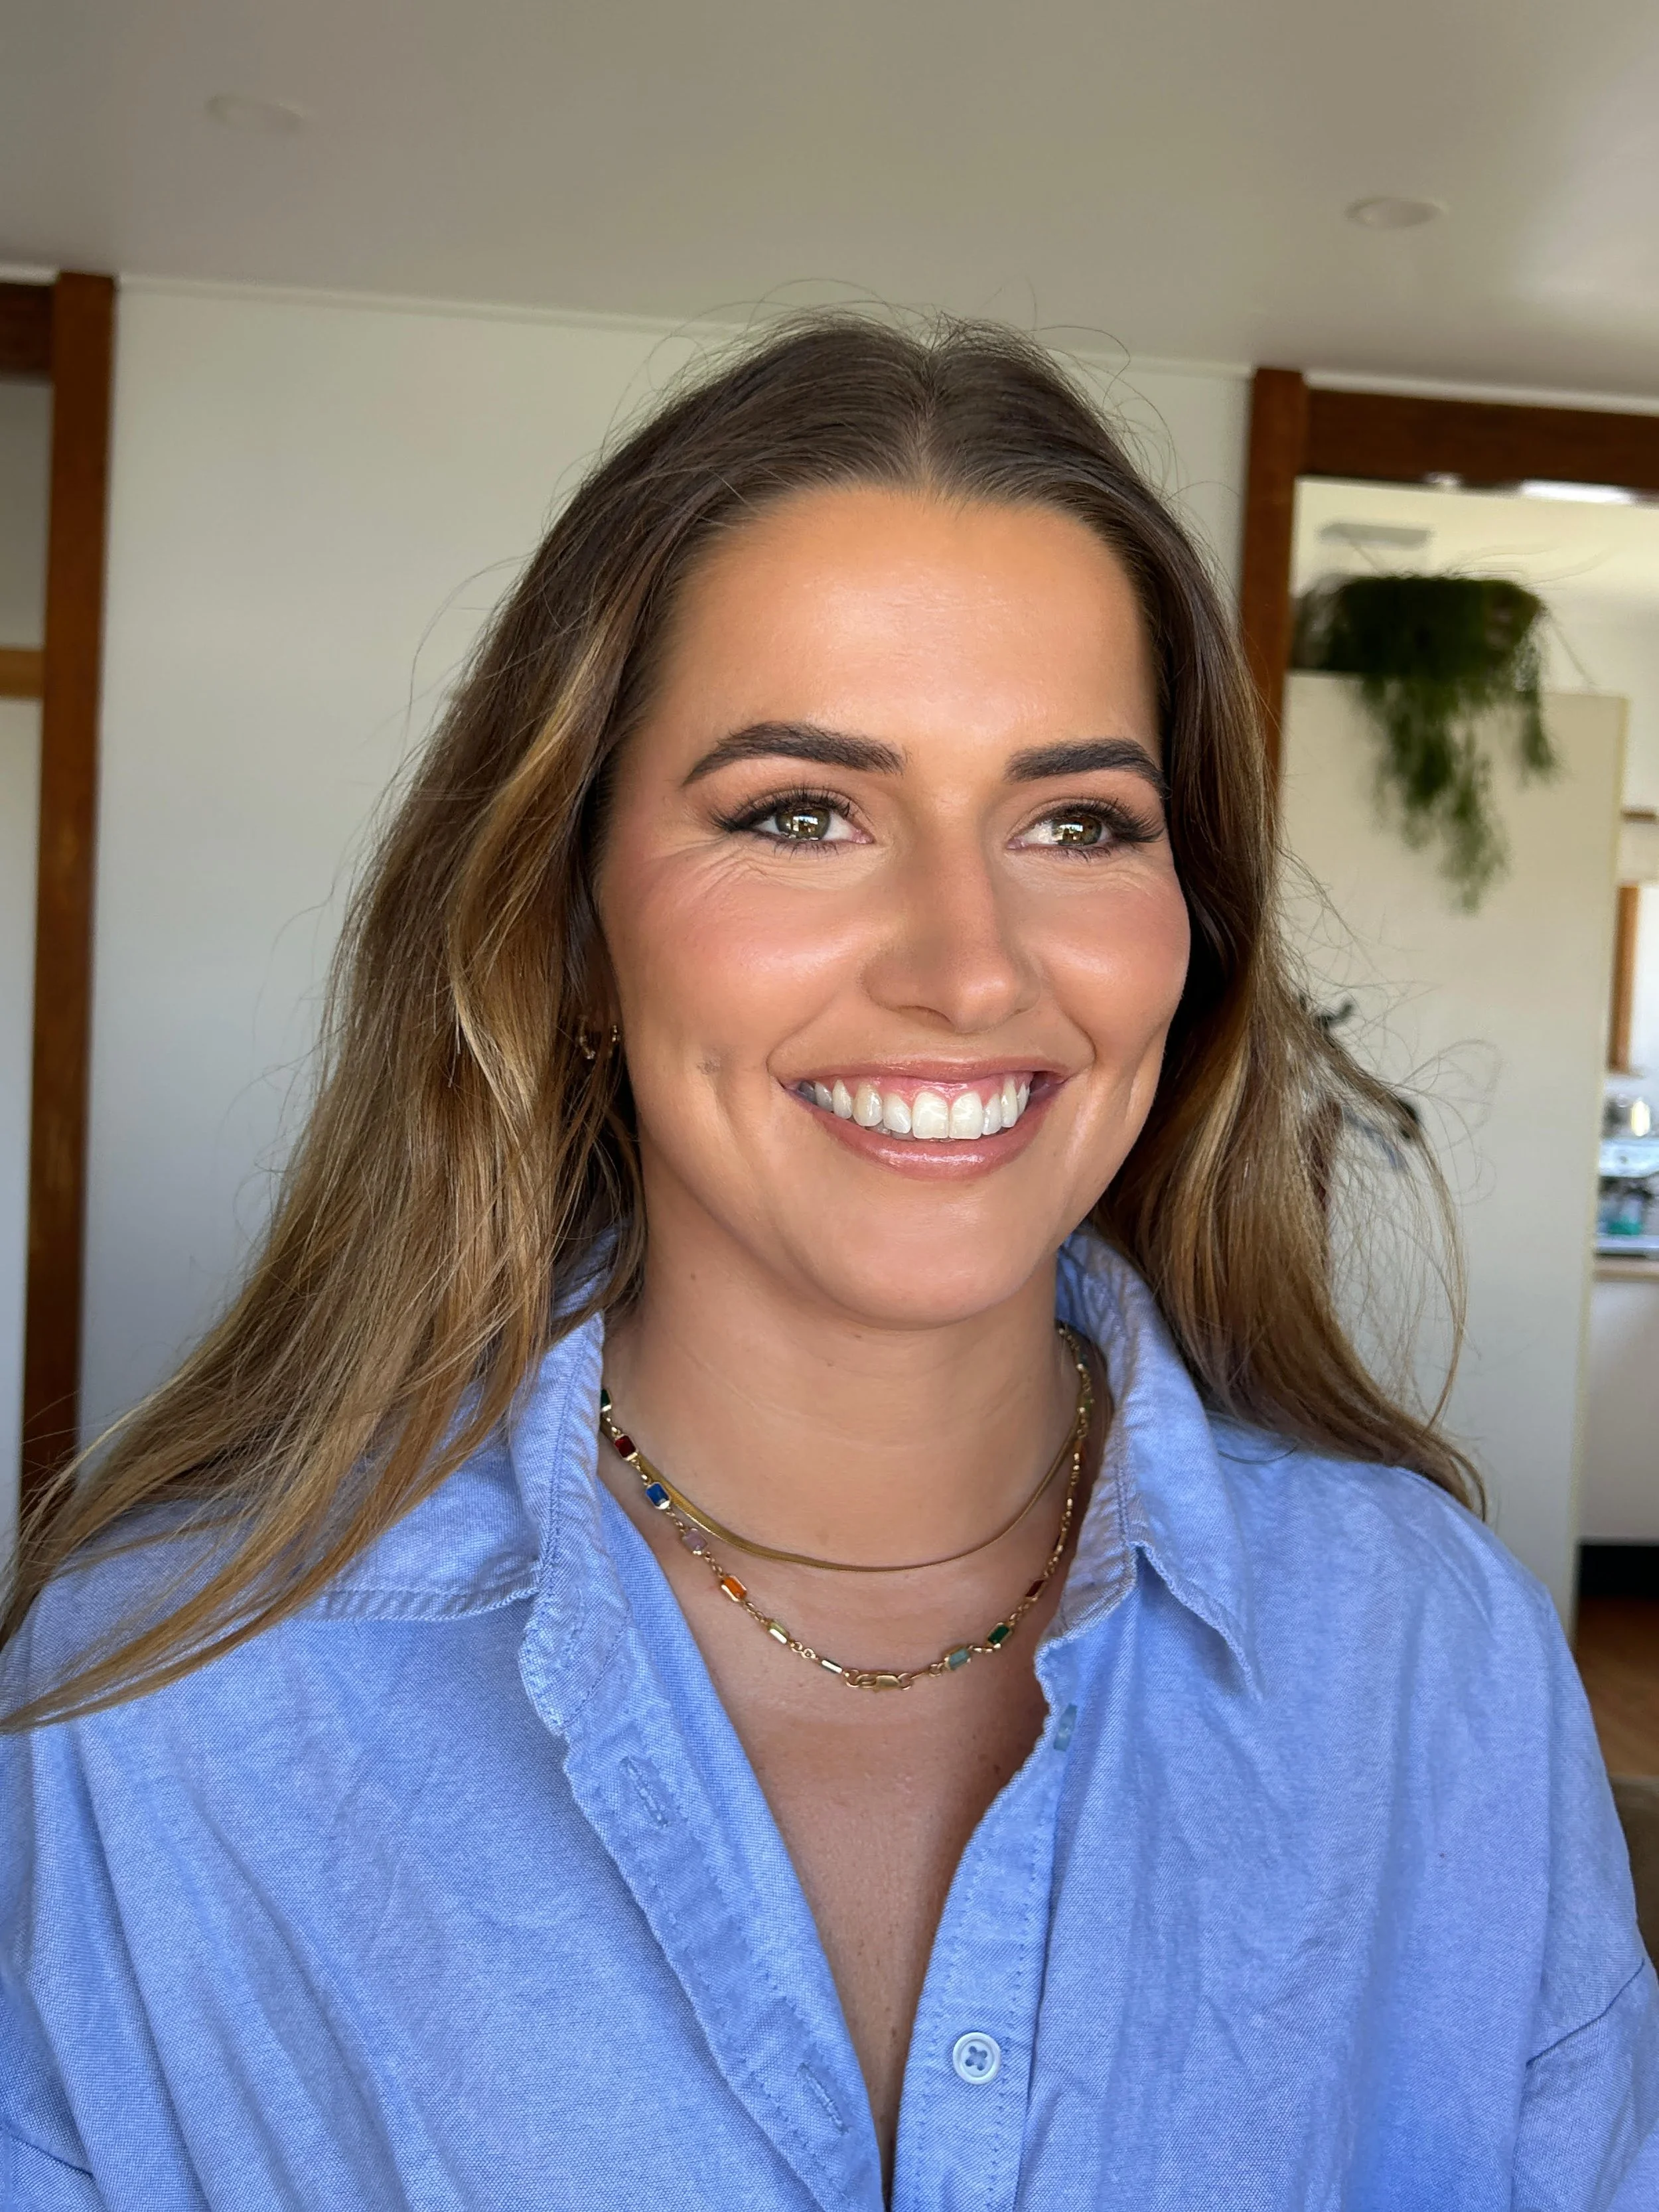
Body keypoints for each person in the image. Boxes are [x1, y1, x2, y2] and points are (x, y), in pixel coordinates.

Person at [1, 316, 1653, 2211]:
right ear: (568, 920)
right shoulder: (165, 1700)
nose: (969, 967)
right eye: (801, 813)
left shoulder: (1430, 1653)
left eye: (1077, 822)